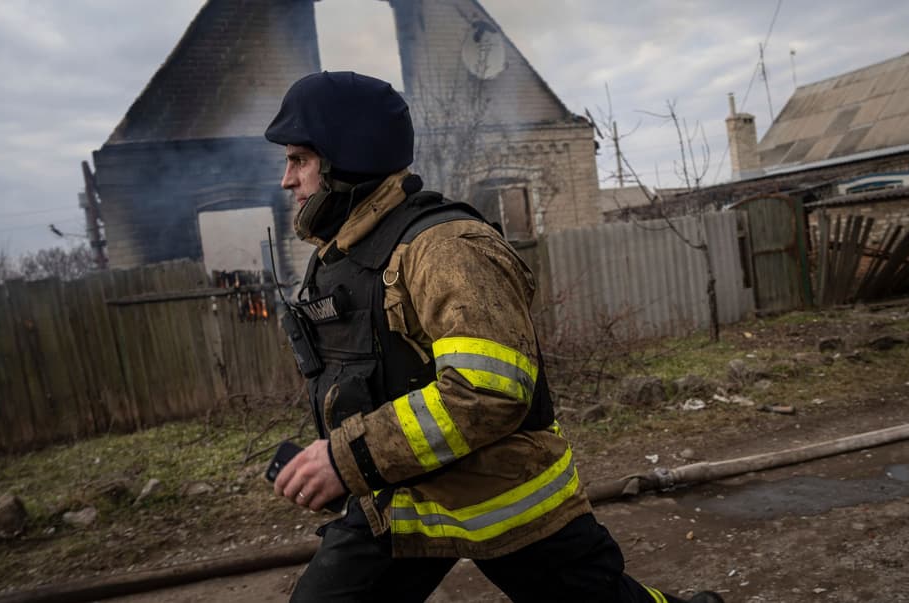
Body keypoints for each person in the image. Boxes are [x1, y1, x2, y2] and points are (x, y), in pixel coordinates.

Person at [266, 71, 723, 603]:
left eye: (299, 159)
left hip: (503, 494)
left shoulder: (445, 248)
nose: (287, 179)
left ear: (346, 157)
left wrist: (348, 459)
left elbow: (487, 390)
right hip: (403, 498)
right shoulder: (344, 256)